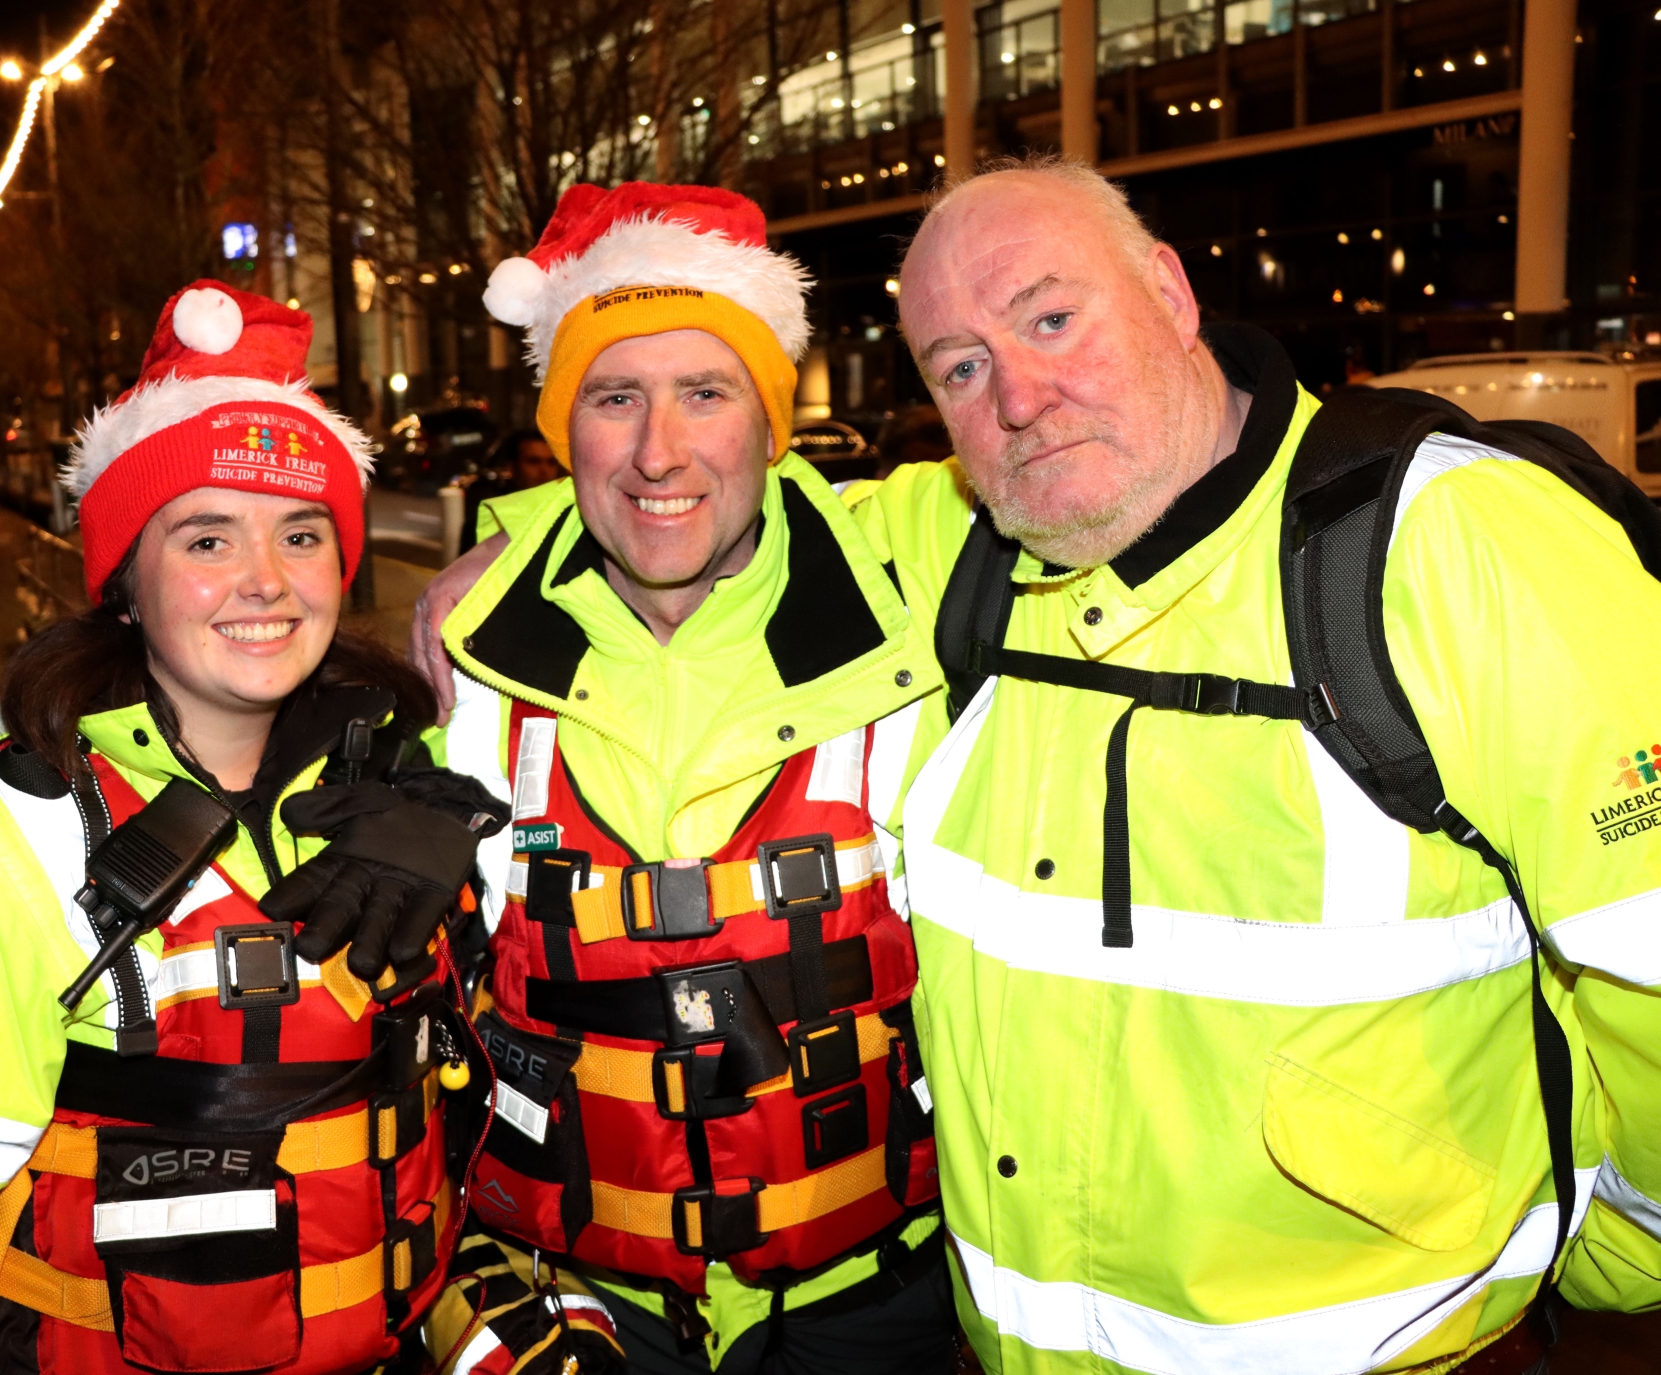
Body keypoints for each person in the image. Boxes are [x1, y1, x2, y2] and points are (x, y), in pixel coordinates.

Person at [414, 157, 1661, 1375]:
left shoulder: (1456, 544)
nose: (1020, 397)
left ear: (1172, 294)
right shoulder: (952, 552)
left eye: (1052, 318)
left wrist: (1600, 1256)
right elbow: (725, 514)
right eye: (963, 366)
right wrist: (507, 554)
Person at [0, 281, 505, 1375]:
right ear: (121, 581)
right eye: (207, 539)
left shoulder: (397, 780)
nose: (266, 581)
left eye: (302, 533)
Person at [418, 182, 957, 1374]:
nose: (659, 452)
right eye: (615, 400)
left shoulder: (920, 609)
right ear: (566, 438)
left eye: (706, 394)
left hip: (876, 1312)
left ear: (771, 420)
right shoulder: (471, 678)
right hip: (583, 1312)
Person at [458, 427, 563, 554]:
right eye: (533, 462)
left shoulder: (568, 511)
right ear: (512, 467)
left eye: (551, 462)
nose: (544, 471)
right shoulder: (492, 515)